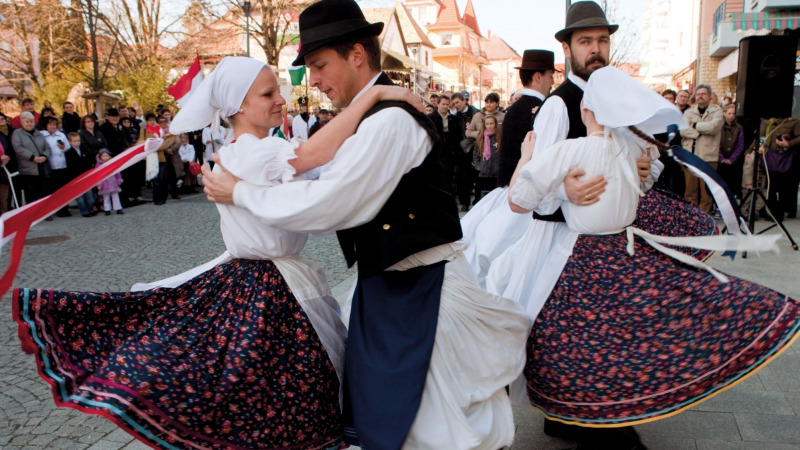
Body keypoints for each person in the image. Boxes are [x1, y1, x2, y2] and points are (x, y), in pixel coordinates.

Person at [13, 56, 422, 450]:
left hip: (275, 279)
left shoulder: (262, 148)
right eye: (267, 94)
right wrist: (371, 97)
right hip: (269, 287)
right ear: (237, 106)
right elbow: (316, 155)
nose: (280, 99)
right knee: (290, 389)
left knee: (287, 391)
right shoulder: (248, 152)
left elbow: (326, 169)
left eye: (277, 90)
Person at [200, 2, 530, 448]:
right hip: (390, 287)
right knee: (399, 423)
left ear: (356, 54)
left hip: (427, 289)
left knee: (439, 427)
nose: (312, 81)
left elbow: (334, 202)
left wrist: (239, 192)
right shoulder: (369, 114)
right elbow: (316, 170)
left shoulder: (392, 120)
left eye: (319, 65)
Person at [506, 64, 799, 435]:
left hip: (581, 260)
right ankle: (601, 416)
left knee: (565, 340)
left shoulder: (570, 150)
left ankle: (589, 418)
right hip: (624, 253)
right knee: (625, 336)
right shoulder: (631, 151)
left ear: (586, 110)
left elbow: (518, 201)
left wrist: (525, 159)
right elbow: (646, 179)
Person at [680, 84, 724, 214]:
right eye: (698, 94)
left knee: (707, 191)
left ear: (710, 96)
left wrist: (694, 125)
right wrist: (698, 132)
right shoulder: (689, 112)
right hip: (691, 155)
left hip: (708, 156)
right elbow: (682, 130)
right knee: (690, 190)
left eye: (703, 94)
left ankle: (705, 218)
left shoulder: (717, 111)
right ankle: (691, 216)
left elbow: (714, 127)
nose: (700, 96)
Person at [41, 116, 71, 217]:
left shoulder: (61, 134)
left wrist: (63, 147)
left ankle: (64, 209)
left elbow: (68, 146)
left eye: (54, 124)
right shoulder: (43, 135)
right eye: (50, 124)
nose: (52, 126)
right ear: (46, 125)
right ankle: (54, 209)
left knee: (63, 188)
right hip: (51, 166)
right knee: (53, 189)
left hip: (62, 164)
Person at [64, 132, 97, 217]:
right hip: (76, 177)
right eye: (74, 141)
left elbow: (89, 160)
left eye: (78, 141)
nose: (77, 143)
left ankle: (90, 209)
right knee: (80, 198)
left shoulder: (84, 149)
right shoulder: (68, 153)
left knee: (89, 196)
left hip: (85, 176)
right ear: (70, 142)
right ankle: (84, 211)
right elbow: (70, 167)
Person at [718, 104, 745, 200]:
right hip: (720, 158)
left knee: (731, 183)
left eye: (734, 114)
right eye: (729, 113)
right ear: (724, 113)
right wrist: (721, 158)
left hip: (733, 159)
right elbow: (715, 143)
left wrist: (732, 159)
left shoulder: (739, 128)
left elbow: (740, 145)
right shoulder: (719, 126)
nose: (731, 116)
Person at [472, 114, 501, 197]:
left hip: (496, 173)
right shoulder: (481, 137)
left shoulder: (500, 137)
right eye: (487, 124)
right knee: (482, 196)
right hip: (483, 172)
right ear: (484, 125)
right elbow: (475, 153)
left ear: (495, 124)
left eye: (491, 123)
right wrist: (478, 166)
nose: (489, 126)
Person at [95, 148, 124, 215]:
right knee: (106, 197)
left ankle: (118, 208)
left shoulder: (113, 163)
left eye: (107, 155)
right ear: (100, 157)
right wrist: (99, 184)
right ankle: (107, 209)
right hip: (105, 184)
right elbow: (98, 176)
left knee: (115, 196)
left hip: (113, 183)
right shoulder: (98, 166)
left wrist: (119, 180)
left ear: (109, 156)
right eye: (103, 156)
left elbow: (117, 172)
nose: (105, 157)